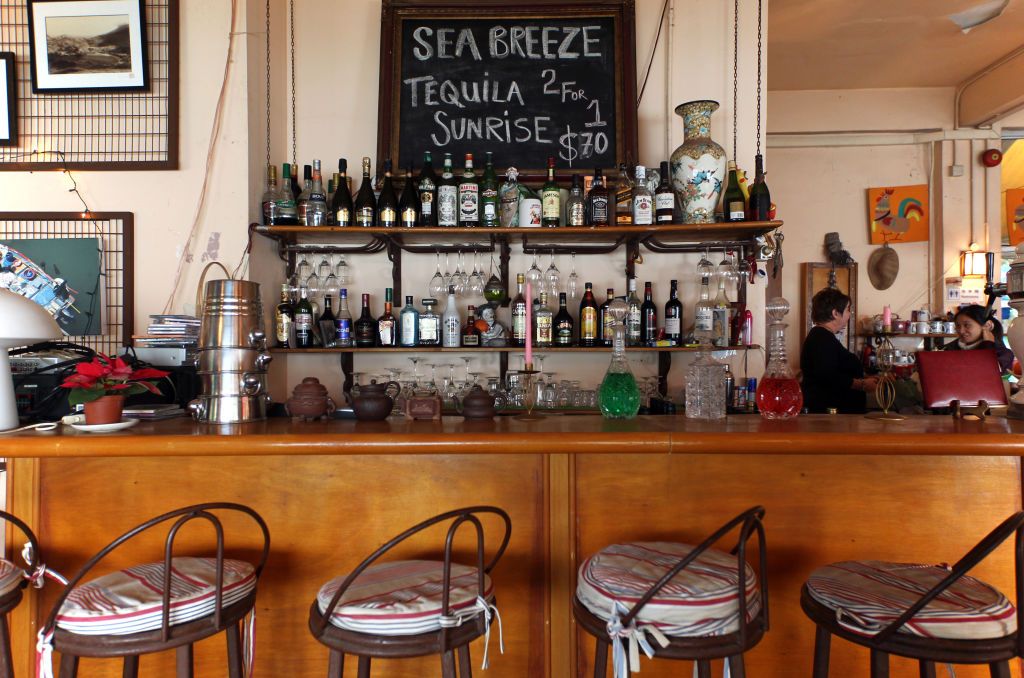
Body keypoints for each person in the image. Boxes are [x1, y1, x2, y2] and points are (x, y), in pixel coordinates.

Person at [801, 288, 879, 413]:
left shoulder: (823, 336)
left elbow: (835, 370)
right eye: (848, 309)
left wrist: (867, 378)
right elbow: (828, 376)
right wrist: (862, 384)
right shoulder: (821, 338)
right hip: (829, 418)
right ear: (835, 313)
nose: (849, 314)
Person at [945, 304, 1015, 374]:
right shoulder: (947, 350)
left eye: (967, 325)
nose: (961, 331)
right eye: (958, 326)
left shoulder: (1004, 354)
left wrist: (988, 345)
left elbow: (990, 374)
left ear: (987, 325)